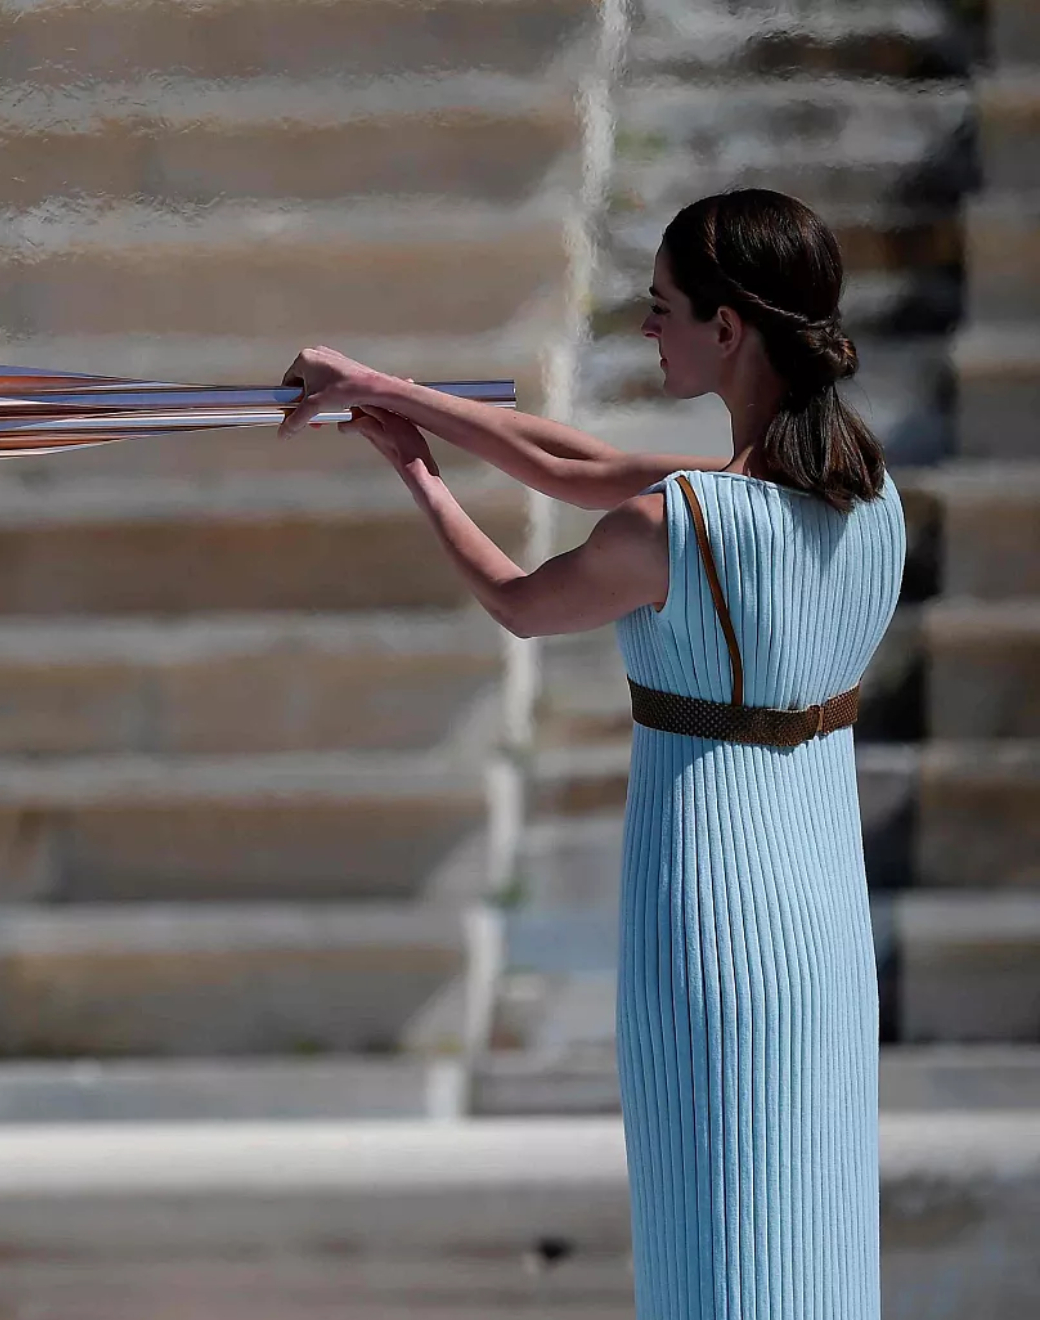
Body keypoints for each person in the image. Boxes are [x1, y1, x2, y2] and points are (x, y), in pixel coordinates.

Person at [281, 188, 902, 1318]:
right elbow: (574, 462)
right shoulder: (867, 499)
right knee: (809, 1246)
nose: (647, 327)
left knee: (716, 1247)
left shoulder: (683, 525)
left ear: (731, 328)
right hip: (824, 931)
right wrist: (387, 391)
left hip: (711, 924)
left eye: (663, 308)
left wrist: (414, 472)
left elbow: (522, 603)